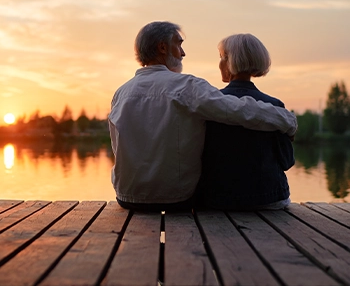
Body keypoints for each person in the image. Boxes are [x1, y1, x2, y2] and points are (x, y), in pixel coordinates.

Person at [108, 21, 297, 212]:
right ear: (163, 47)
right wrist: (287, 121)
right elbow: (237, 109)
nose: (183, 53)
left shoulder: (121, 93)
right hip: (175, 199)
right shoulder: (186, 86)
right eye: (179, 44)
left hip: (126, 197)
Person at [201, 33, 294, 210]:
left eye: (221, 57)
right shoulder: (274, 105)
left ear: (228, 61)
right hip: (269, 199)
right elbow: (287, 161)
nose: (219, 63)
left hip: (218, 200)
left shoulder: (210, 104)